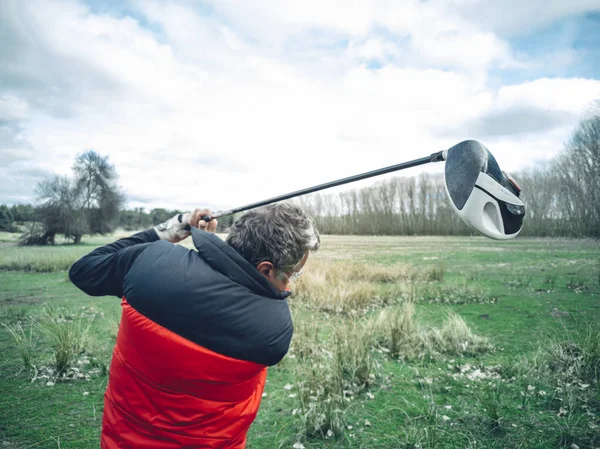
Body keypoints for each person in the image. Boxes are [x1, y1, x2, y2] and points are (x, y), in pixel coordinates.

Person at [68, 203, 320, 449]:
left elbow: (85, 270)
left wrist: (172, 230)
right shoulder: (275, 330)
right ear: (266, 269)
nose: (289, 284)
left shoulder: (150, 263)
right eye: (292, 274)